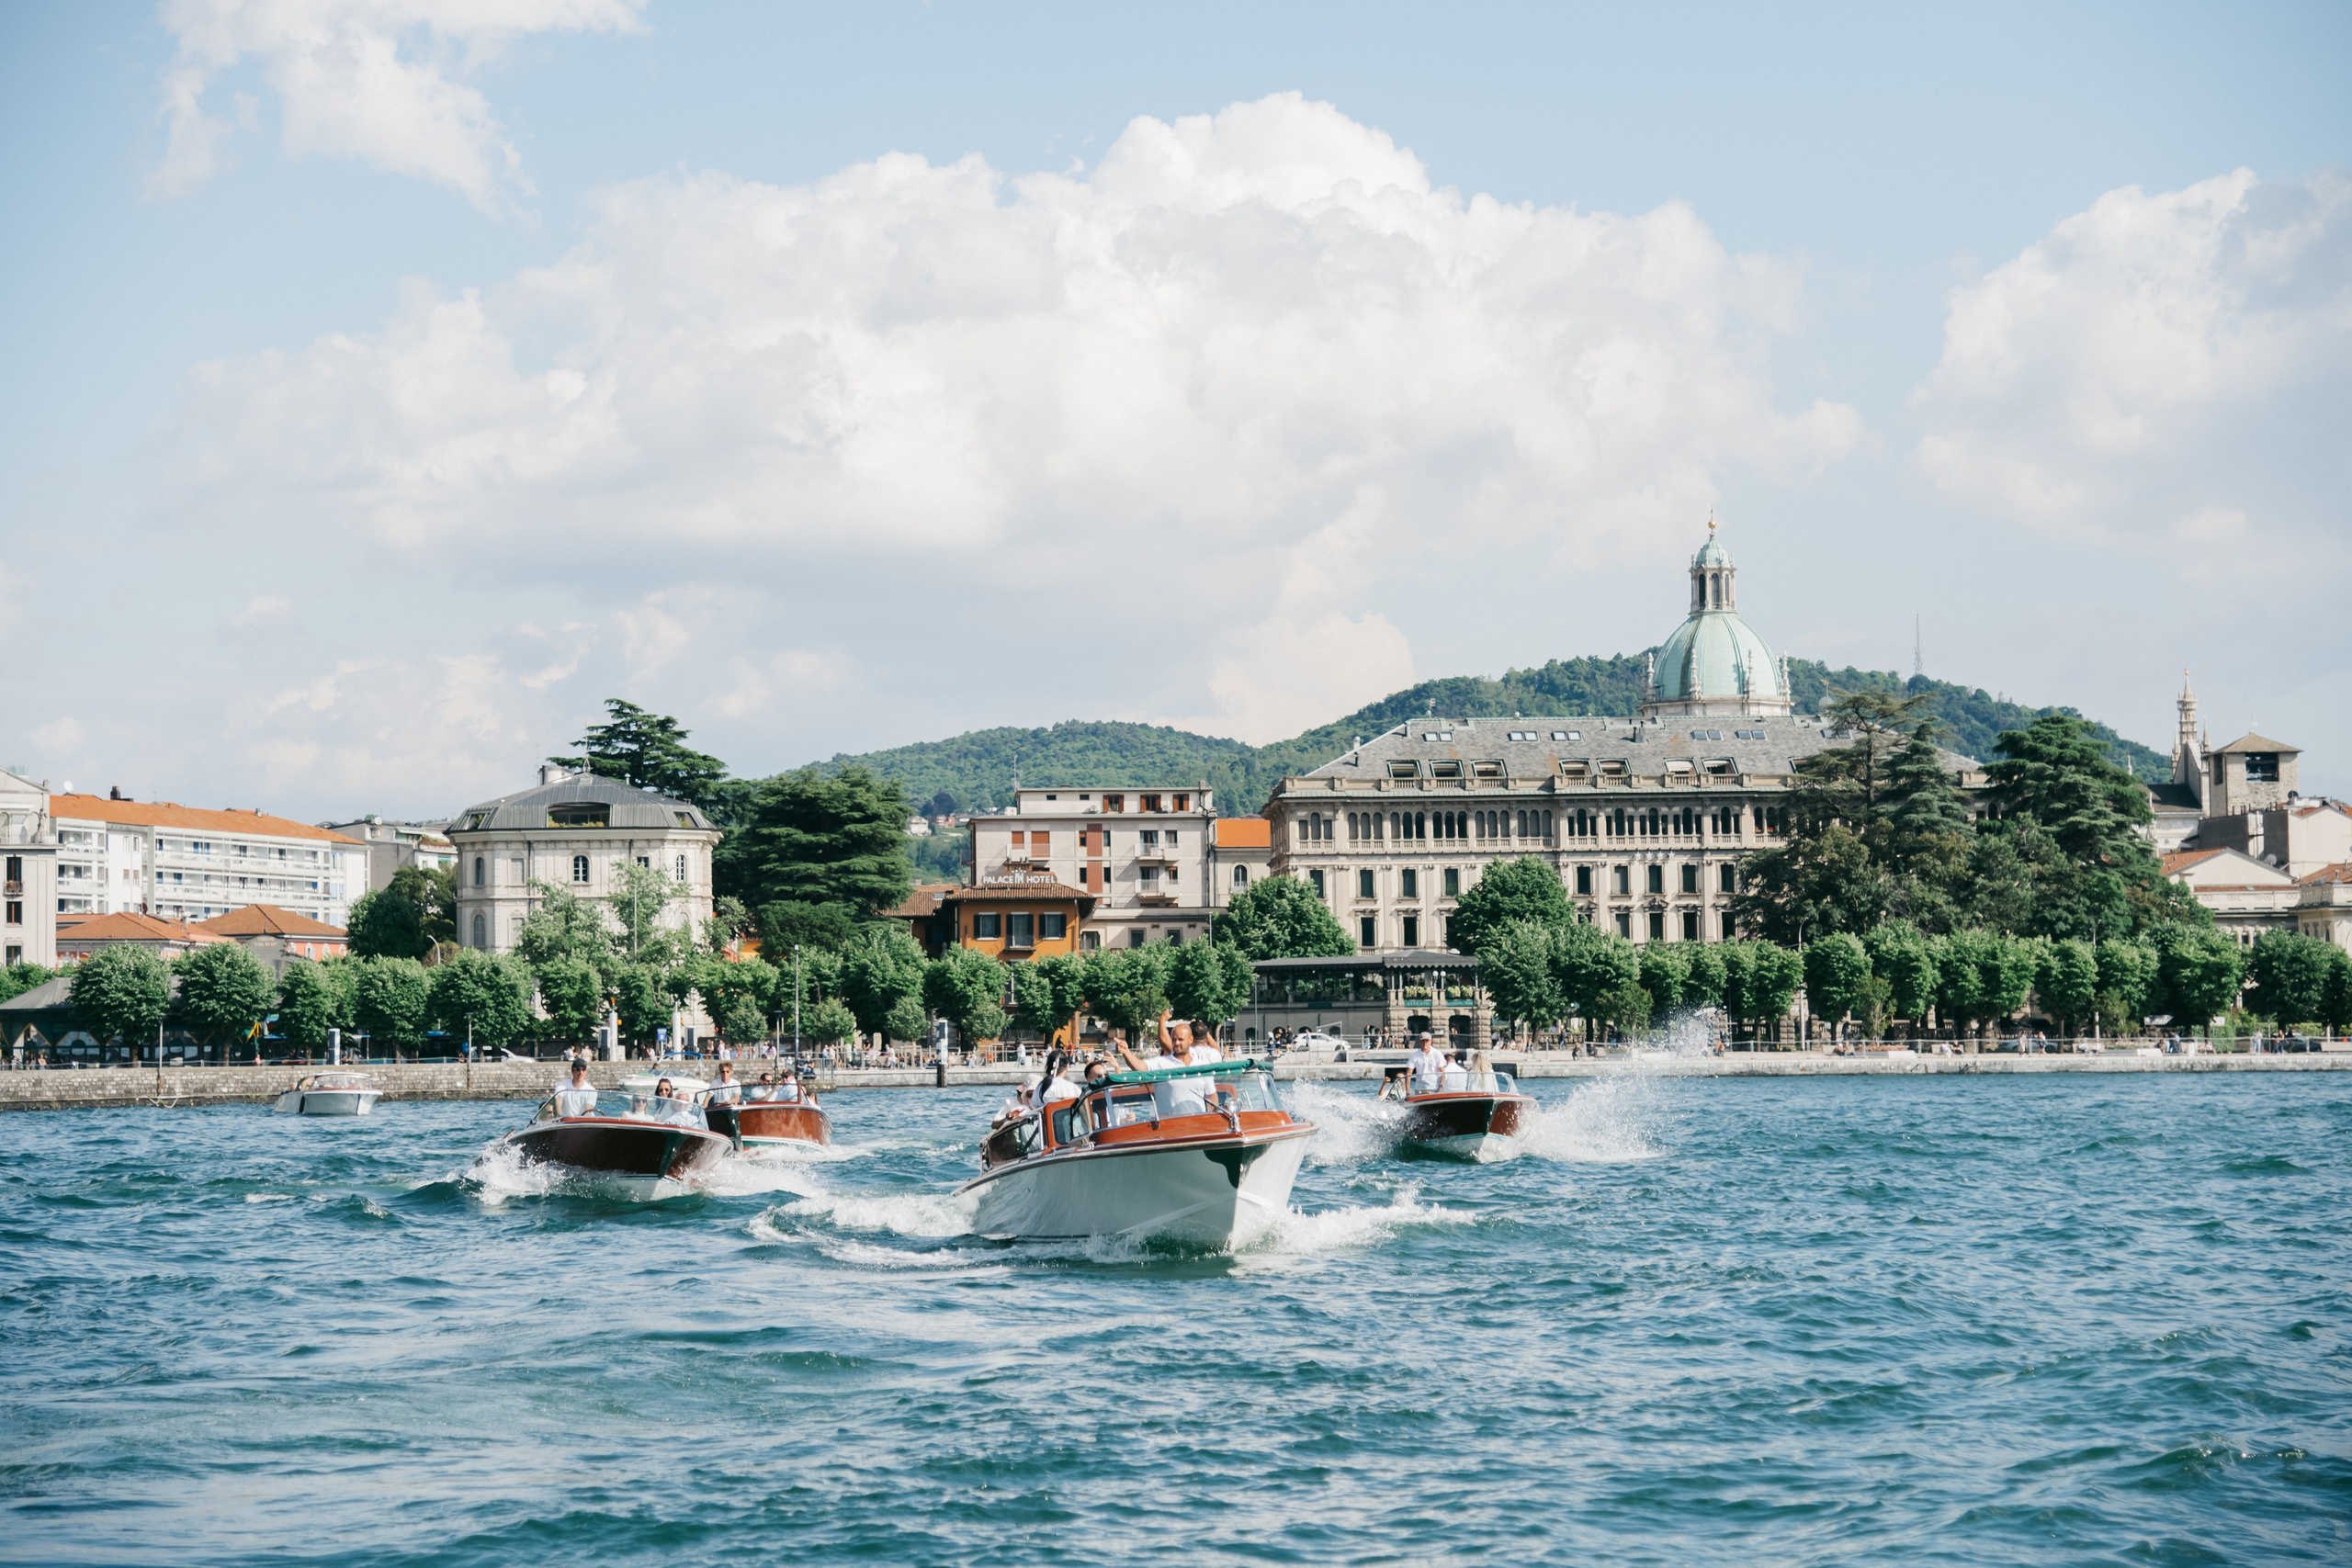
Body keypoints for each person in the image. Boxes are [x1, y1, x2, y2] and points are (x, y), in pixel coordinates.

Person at [707, 1061, 743, 1151]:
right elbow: (707, 1097)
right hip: (718, 1112)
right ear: (720, 1073)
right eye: (723, 1072)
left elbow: (736, 1098)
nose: (725, 1074)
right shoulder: (715, 1083)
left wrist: (726, 1102)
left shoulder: (736, 1083)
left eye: (727, 1071)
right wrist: (703, 1109)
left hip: (731, 1112)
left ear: (730, 1072)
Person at [1404, 1032, 1444, 1096]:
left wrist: (1441, 1087)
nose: (1424, 1043)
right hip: (1419, 1088)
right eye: (1422, 1041)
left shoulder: (1437, 1054)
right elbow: (1408, 1073)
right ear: (1419, 1042)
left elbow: (1442, 1072)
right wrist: (1408, 1092)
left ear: (1430, 1042)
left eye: (1426, 1041)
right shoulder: (1414, 1055)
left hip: (1434, 1088)